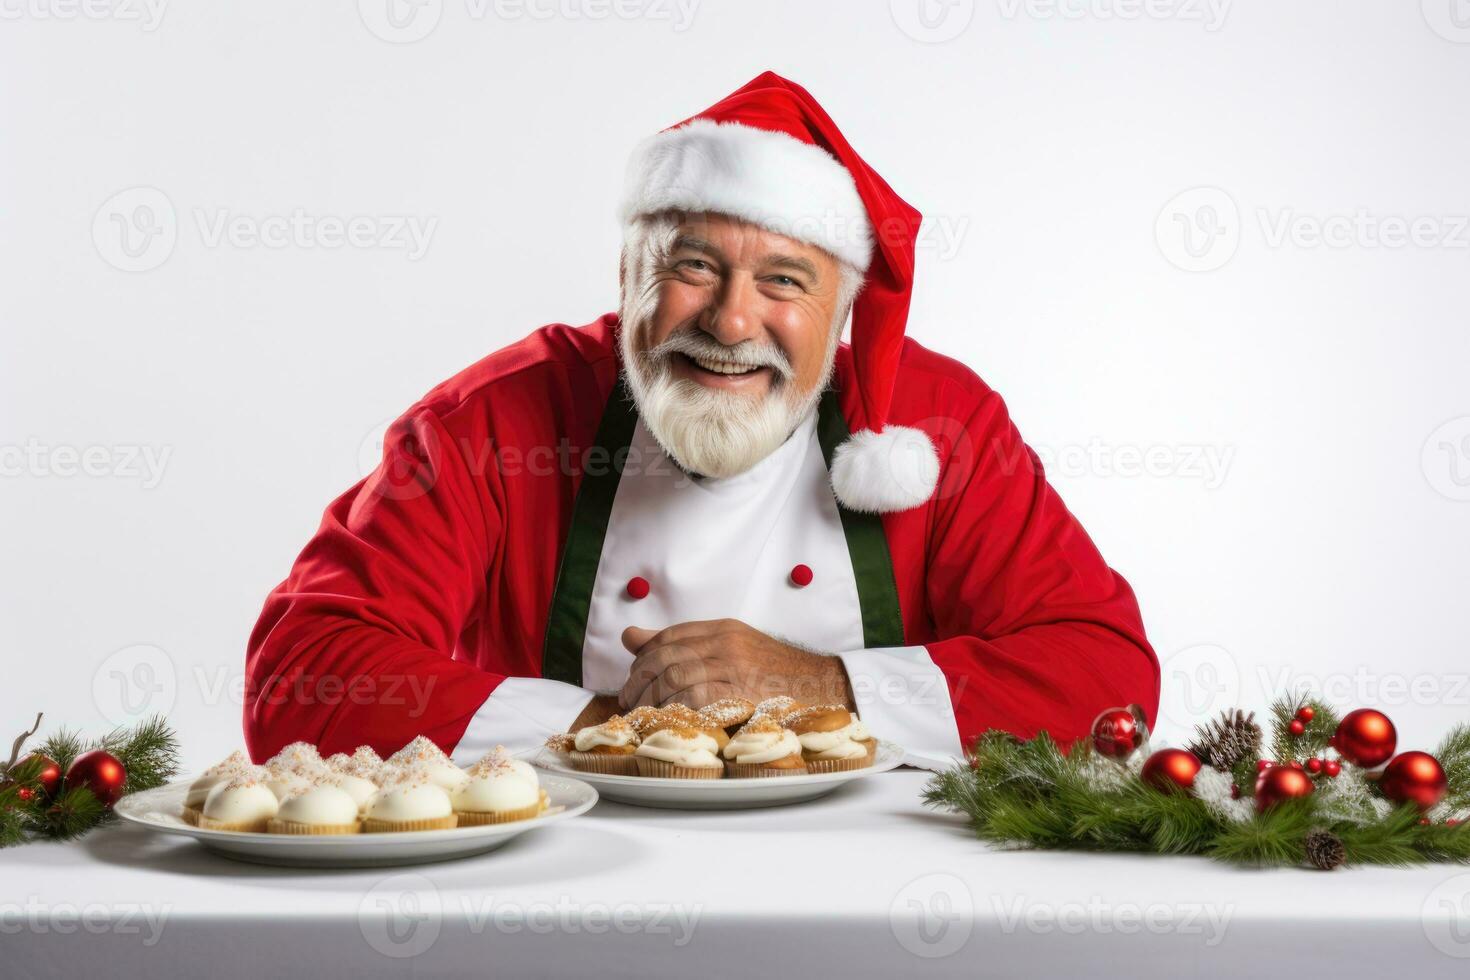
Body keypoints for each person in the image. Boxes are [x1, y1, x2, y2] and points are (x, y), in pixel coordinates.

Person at [243, 71, 1158, 770]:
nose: (729, 322)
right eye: (693, 267)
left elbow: (1106, 675)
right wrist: (612, 725)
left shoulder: (941, 424)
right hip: (558, 887)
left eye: (783, 281)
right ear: (627, 273)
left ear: (840, 313)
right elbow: (302, 674)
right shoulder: (497, 422)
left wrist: (821, 687)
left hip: (877, 892)